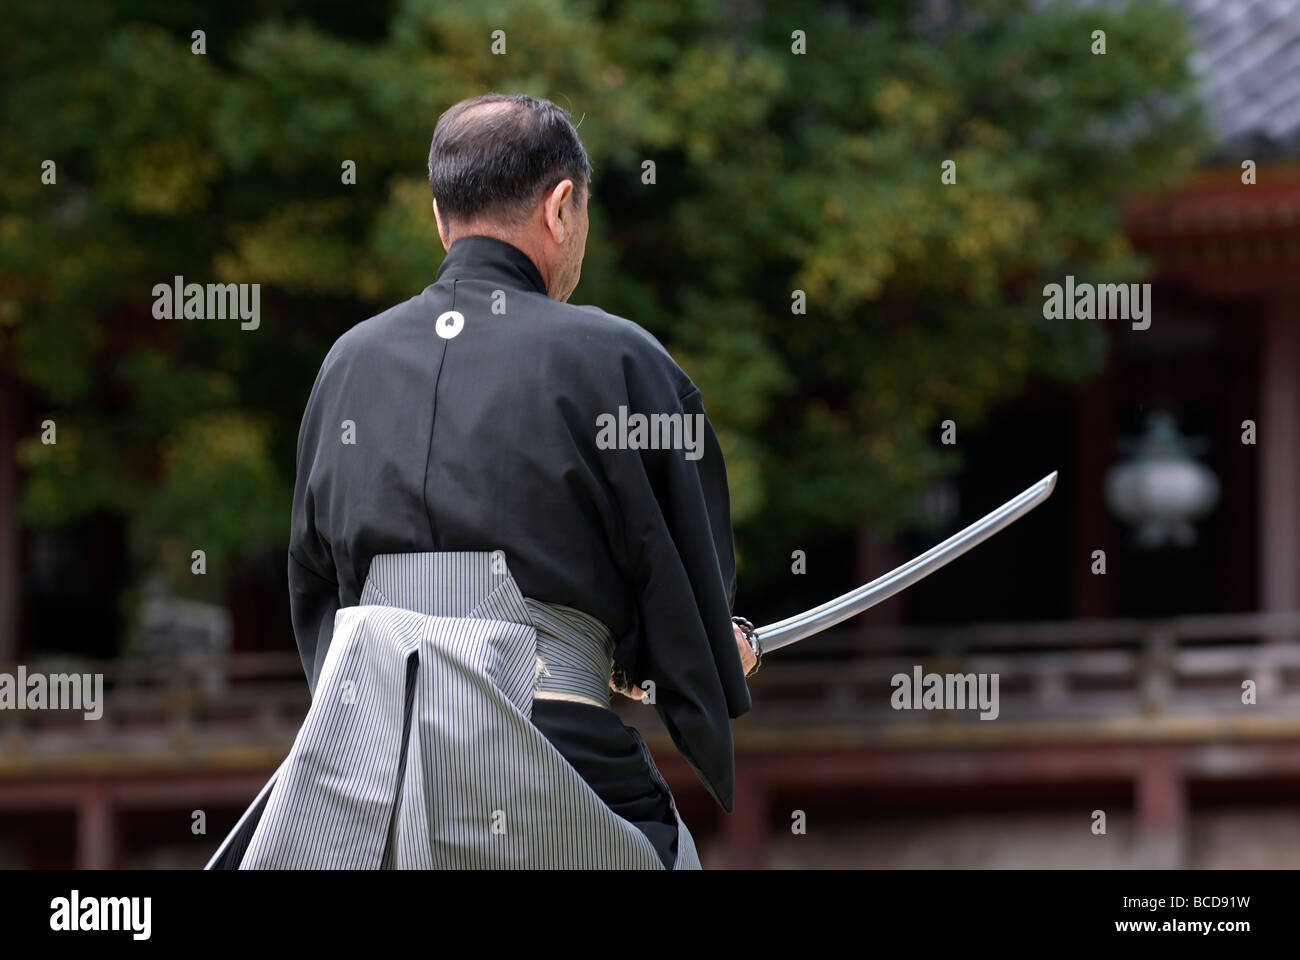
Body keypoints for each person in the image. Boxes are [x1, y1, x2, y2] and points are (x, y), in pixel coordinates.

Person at [207, 93, 757, 870]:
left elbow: (316, 587)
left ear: (440, 217)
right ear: (562, 207)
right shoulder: (618, 361)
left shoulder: (347, 366)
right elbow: (683, 589)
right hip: (548, 739)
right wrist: (703, 652)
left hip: (371, 766)